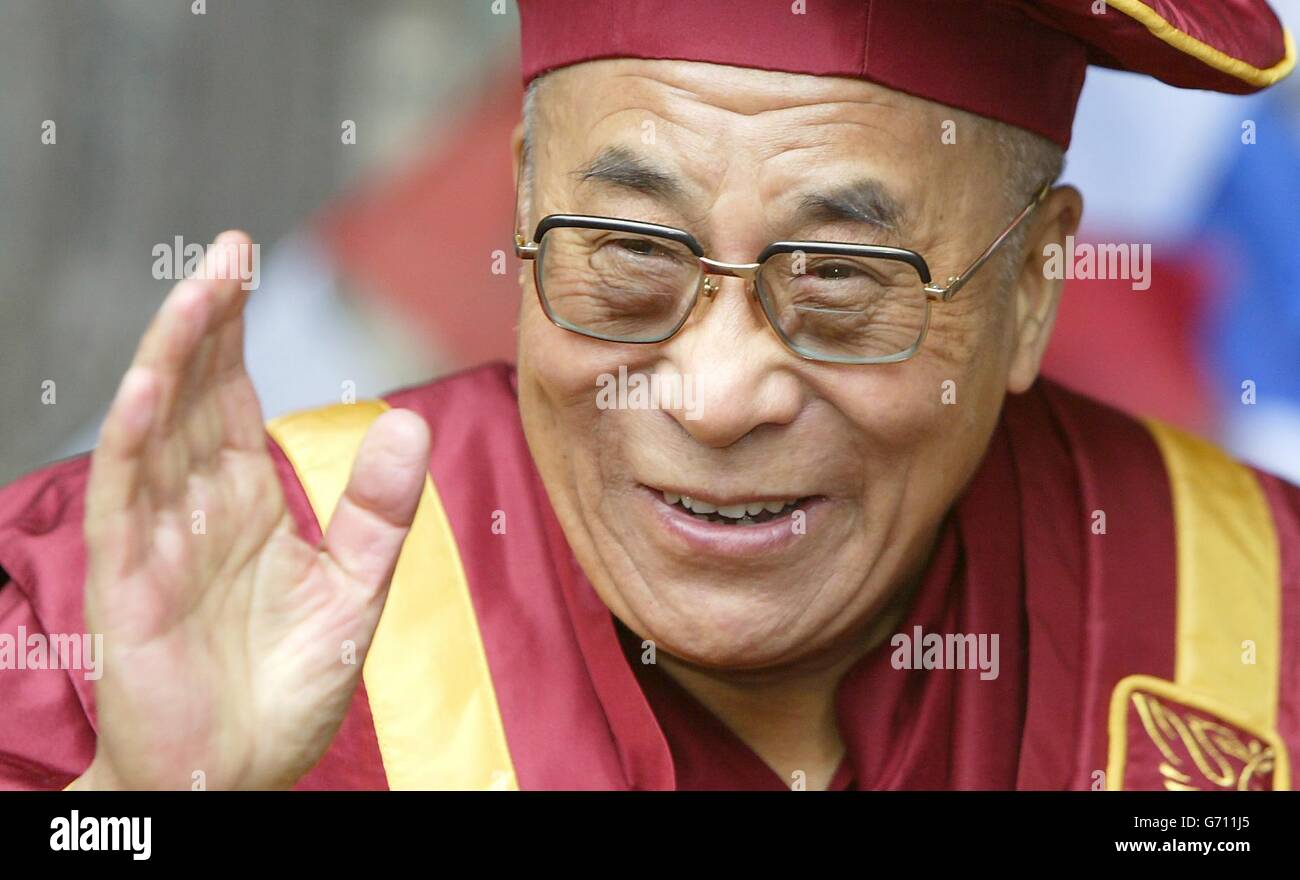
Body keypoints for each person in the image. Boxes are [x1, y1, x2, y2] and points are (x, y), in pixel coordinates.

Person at [1, 0, 1296, 791]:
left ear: (1029, 288)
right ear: (519, 210)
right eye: (628, 260)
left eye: (842, 281)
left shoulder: (1248, 627)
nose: (719, 392)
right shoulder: (132, 611)